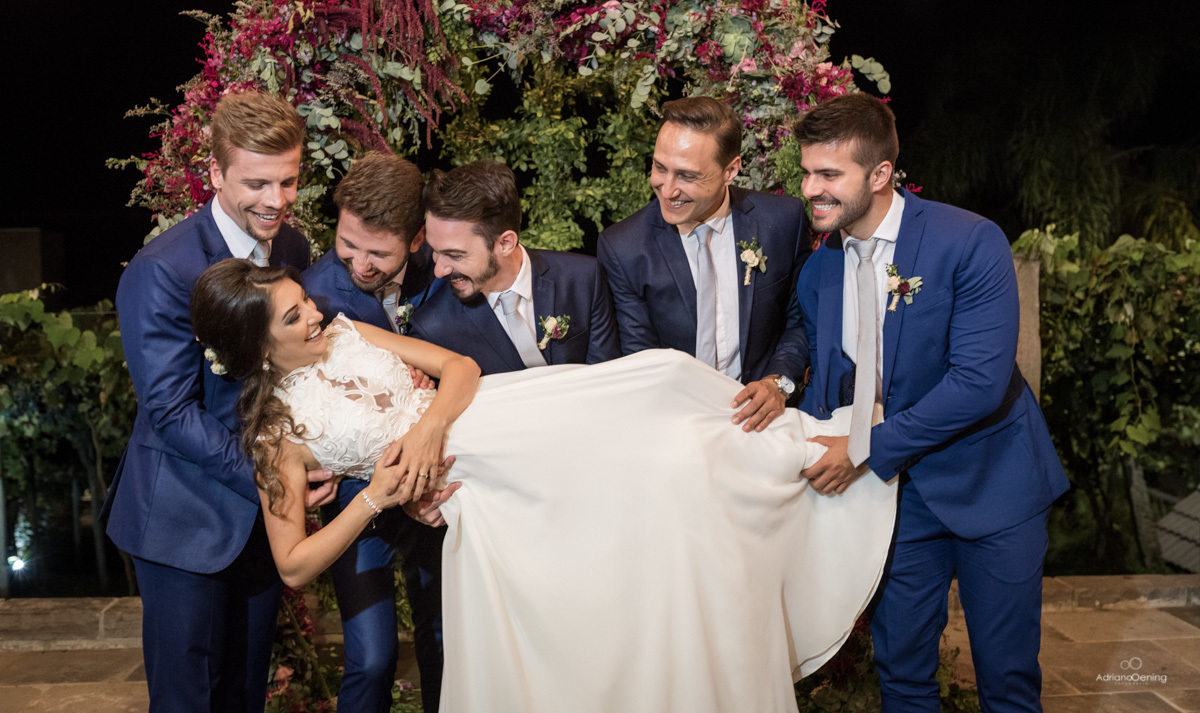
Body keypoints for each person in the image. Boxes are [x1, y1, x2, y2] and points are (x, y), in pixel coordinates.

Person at [190, 257, 900, 713]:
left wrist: (430, 427)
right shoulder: (277, 435)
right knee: (615, 551)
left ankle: (811, 446)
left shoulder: (351, 332)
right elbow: (293, 563)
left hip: (502, 416)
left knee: (662, 394)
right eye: (293, 316)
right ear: (257, 345)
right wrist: (377, 494)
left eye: (303, 301)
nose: (313, 313)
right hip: (487, 494)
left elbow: (460, 368)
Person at [792, 92, 1069, 712]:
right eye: (808, 171)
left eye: (830, 174)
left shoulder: (969, 241)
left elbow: (979, 382)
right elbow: (833, 388)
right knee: (904, 675)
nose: (812, 188)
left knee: (1006, 680)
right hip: (897, 499)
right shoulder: (819, 272)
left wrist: (862, 451)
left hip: (993, 485)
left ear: (881, 174)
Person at [103, 91, 335, 713]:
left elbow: (288, 370)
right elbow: (171, 412)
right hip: (183, 520)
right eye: (257, 183)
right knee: (188, 702)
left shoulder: (290, 250)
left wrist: (322, 451)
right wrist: (276, 482)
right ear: (216, 174)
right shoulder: (164, 269)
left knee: (244, 695)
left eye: (288, 181)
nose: (277, 200)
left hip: (258, 524)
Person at [302, 151, 445, 713]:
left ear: (416, 241)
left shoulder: (447, 267)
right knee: (370, 657)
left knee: (442, 641)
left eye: (378, 252)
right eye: (347, 244)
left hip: (436, 485)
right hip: (359, 500)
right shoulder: (314, 291)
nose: (358, 264)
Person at [597, 96, 811, 433]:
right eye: (659, 167)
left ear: (731, 170)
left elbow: (799, 321)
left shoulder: (783, 221)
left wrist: (777, 384)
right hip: (676, 422)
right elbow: (642, 362)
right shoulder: (624, 247)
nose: (667, 190)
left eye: (687, 176)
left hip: (767, 421)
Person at [409, 159, 621, 372]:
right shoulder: (432, 328)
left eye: (454, 255)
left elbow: (607, 377)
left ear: (505, 243)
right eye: (435, 251)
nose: (439, 270)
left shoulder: (583, 279)